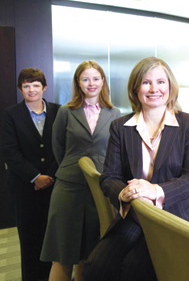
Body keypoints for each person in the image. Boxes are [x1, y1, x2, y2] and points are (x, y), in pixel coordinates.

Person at [83, 57, 189, 281]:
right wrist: (125, 193)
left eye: (161, 82)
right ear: (135, 88)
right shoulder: (120, 128)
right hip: (135, 214)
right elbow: (109, 177)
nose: (154, 89)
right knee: (95, 268)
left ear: (170, 87)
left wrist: (156, 190)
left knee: (135, 270)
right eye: (146, 82)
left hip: (176, 216)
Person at [40, 60, 120, 281]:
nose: (91, 83)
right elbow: (58, 148)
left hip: (101, 189)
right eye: (85, 79)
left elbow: (116, 151)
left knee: (90, 254)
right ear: (78, 83)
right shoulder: (66, 111)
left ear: (103, 81)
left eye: (95, 78)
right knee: (62, 255)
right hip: (69, 188)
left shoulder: (115, 113)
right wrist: (74, 167)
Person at [1, 68, 60, 281]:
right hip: (24, 188)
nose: (31, 90)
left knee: (52, 238)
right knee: (29, 240)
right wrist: (36, 177)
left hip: (54, 186)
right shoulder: (11, 114)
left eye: (36, 85)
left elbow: (62, 148)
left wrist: (49, 176)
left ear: (44, 88)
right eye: (26, 86)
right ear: (20, 89)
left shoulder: (59, 111)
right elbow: (9, 151)